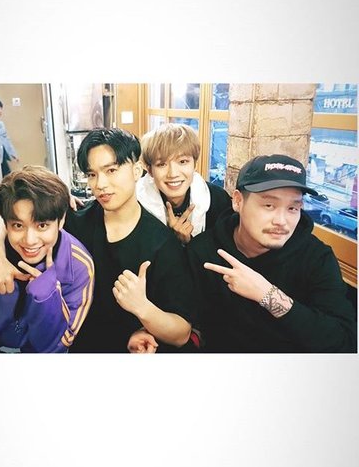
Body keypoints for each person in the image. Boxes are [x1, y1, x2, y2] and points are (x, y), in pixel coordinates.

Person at [187, 154, 357, 353]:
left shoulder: (316, 258)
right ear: (238, 201)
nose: (281, 221)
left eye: (292, 208)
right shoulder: (204, 252)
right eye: (269, 205)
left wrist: (267, 295)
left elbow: (344, 342)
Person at [63, 128, 194, 353]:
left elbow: (182, 333)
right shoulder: (74, 225)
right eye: (92, 174)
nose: (100, 184)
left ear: (136, 171)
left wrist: (143, 308)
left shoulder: (161, 243)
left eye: (111, 170)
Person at [0, 167, 94, 353]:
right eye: (18, 226)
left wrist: (47, 297)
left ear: (61, 220)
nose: (29, 240)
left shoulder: (78, 265)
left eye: (42, 225)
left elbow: (58, 344)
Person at [137, 123, 231, 244]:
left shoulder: (218, 200)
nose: (173, 174)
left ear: (195, 165)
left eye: (182, 162)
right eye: (162, 164)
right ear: (150, 170)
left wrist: (188, 242)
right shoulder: (135, 204)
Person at [0, 99, 19, 177]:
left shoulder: (1, 124)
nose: (0, 110)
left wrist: (13, 153)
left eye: (1, 108)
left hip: (2, 155)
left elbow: (6, 139)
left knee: (7, 175)